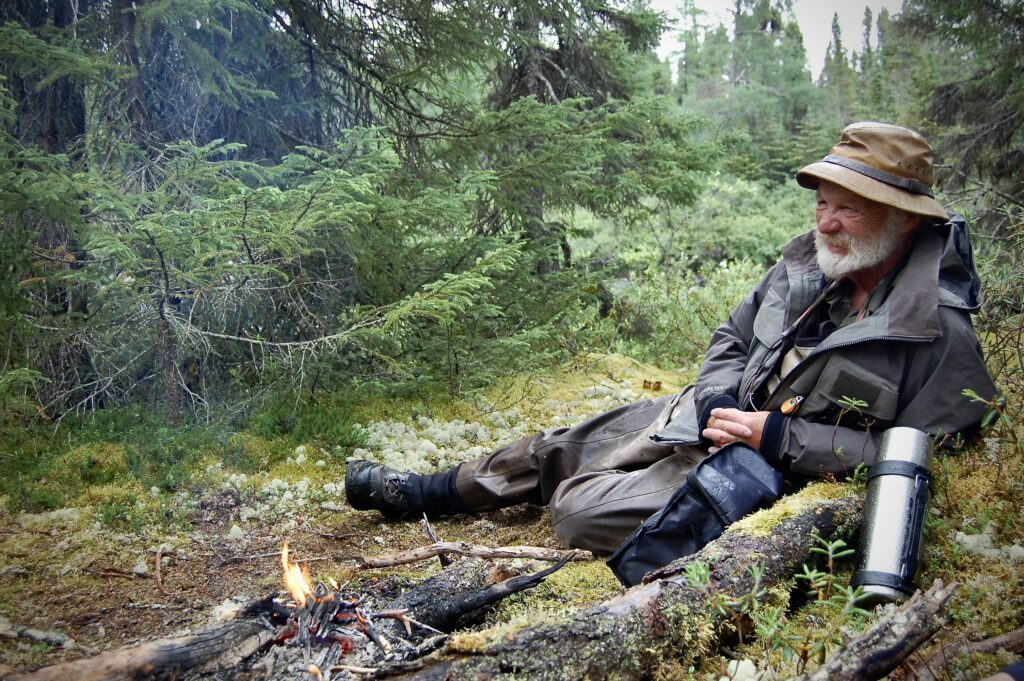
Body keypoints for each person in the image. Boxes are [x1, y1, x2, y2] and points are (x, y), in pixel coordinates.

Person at [345, 122, 998, 555]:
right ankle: (422, 491)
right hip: (706, 417)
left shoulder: (937, 329)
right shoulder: (809, 263)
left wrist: (774, 436)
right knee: (559, 446)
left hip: (764, 469)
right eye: (822, 201)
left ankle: (598, 491)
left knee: (578, 512)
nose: (826, 221)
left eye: (847, 206)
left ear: (903, 218)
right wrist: (716, 399)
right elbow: (732, 334)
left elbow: (923, 460)